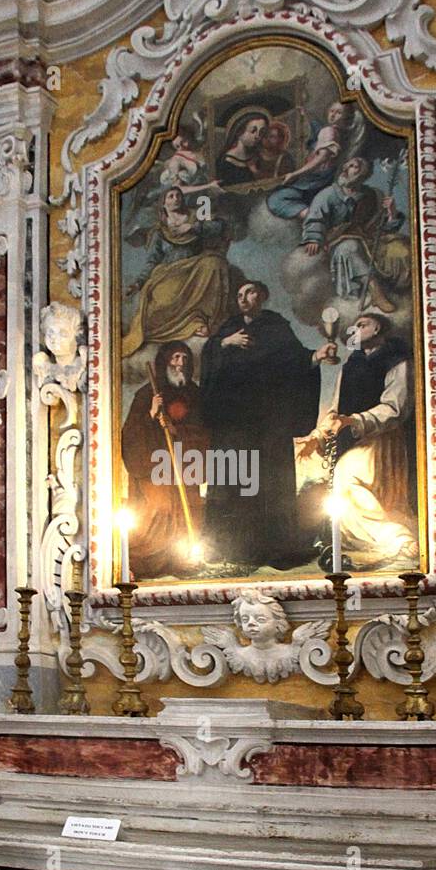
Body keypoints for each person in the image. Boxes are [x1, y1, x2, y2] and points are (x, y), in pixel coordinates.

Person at [200, 280, 336, 569]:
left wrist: (316, 357)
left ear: (261, 296)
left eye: (248, 293)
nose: (243, 298)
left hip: (267, 422)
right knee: (235, 481)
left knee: (270, 481)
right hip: (233, 424)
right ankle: (231, 549)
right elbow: (210, 362)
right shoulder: (228, 329)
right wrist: (225, 343)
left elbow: (294, 361)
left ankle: (273, 547)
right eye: (239, 294)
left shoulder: (276, 328)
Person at [300, 312, 418, 568]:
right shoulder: (351, 365)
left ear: (377, 328)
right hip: (355, 441)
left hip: (382, 441)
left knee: (346, 479)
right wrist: (317, 436)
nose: (355, 330)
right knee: (336, 485)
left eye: (362, 325)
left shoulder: (396, 360)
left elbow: (395, 408)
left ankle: (398, 537)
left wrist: (354, 420)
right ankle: (376, 539)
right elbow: (335, 409)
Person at [121, 341, 209, 579]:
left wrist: (177, 430)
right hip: (154, 470)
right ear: (165, 362)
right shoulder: (147, 394)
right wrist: (151, 413)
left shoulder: (194, 394)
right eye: (175, 358)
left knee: (188, 510)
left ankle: (183, 560)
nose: (180, 364)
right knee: (158, 511)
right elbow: (130, 435)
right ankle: (150, 563)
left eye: (183, 358)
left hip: (184, 466)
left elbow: (204, 431)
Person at [122, 188, 231, 356]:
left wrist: (193, 227)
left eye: (178, 195)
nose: (176, 198)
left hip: (194, 269)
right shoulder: (159, 231)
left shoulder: (196, 216)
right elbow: (152, 261)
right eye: (171, 196)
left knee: (214, 263)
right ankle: (176, 327)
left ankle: (200, 320)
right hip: (169, 273)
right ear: (164, 204)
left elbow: (218, 227)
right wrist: (138, 283)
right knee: (164, 300)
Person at [301, 156, 407, 312]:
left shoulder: (373, 196)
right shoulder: (328, 195)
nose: (345, 168)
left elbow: (383, 229)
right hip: (338, 242)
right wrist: (314, 238)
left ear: (363, 173)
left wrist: (391, 213)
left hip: (369, 241)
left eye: (353, 166)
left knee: (401, 249)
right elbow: (315, 219)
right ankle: (376, 292)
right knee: (350, 247)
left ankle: (401, 292)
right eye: (346, 165)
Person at [267, 101, 362, 219]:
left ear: (346, 118)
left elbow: (321, 158)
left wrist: (295, 174)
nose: (333, 115)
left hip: (314, 179)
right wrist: (306, 114)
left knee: (275, 200)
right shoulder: (337, 132)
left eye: (338, 113)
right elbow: (318, 129)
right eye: (332, 111)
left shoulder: (329, 132)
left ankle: (313, 217)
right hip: (324, 178)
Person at [216, 111, 270, 185]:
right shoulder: (225, 161)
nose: (257, 136)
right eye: (252, 131)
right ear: (239, 132)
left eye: (261, 132)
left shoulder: (258, 157)